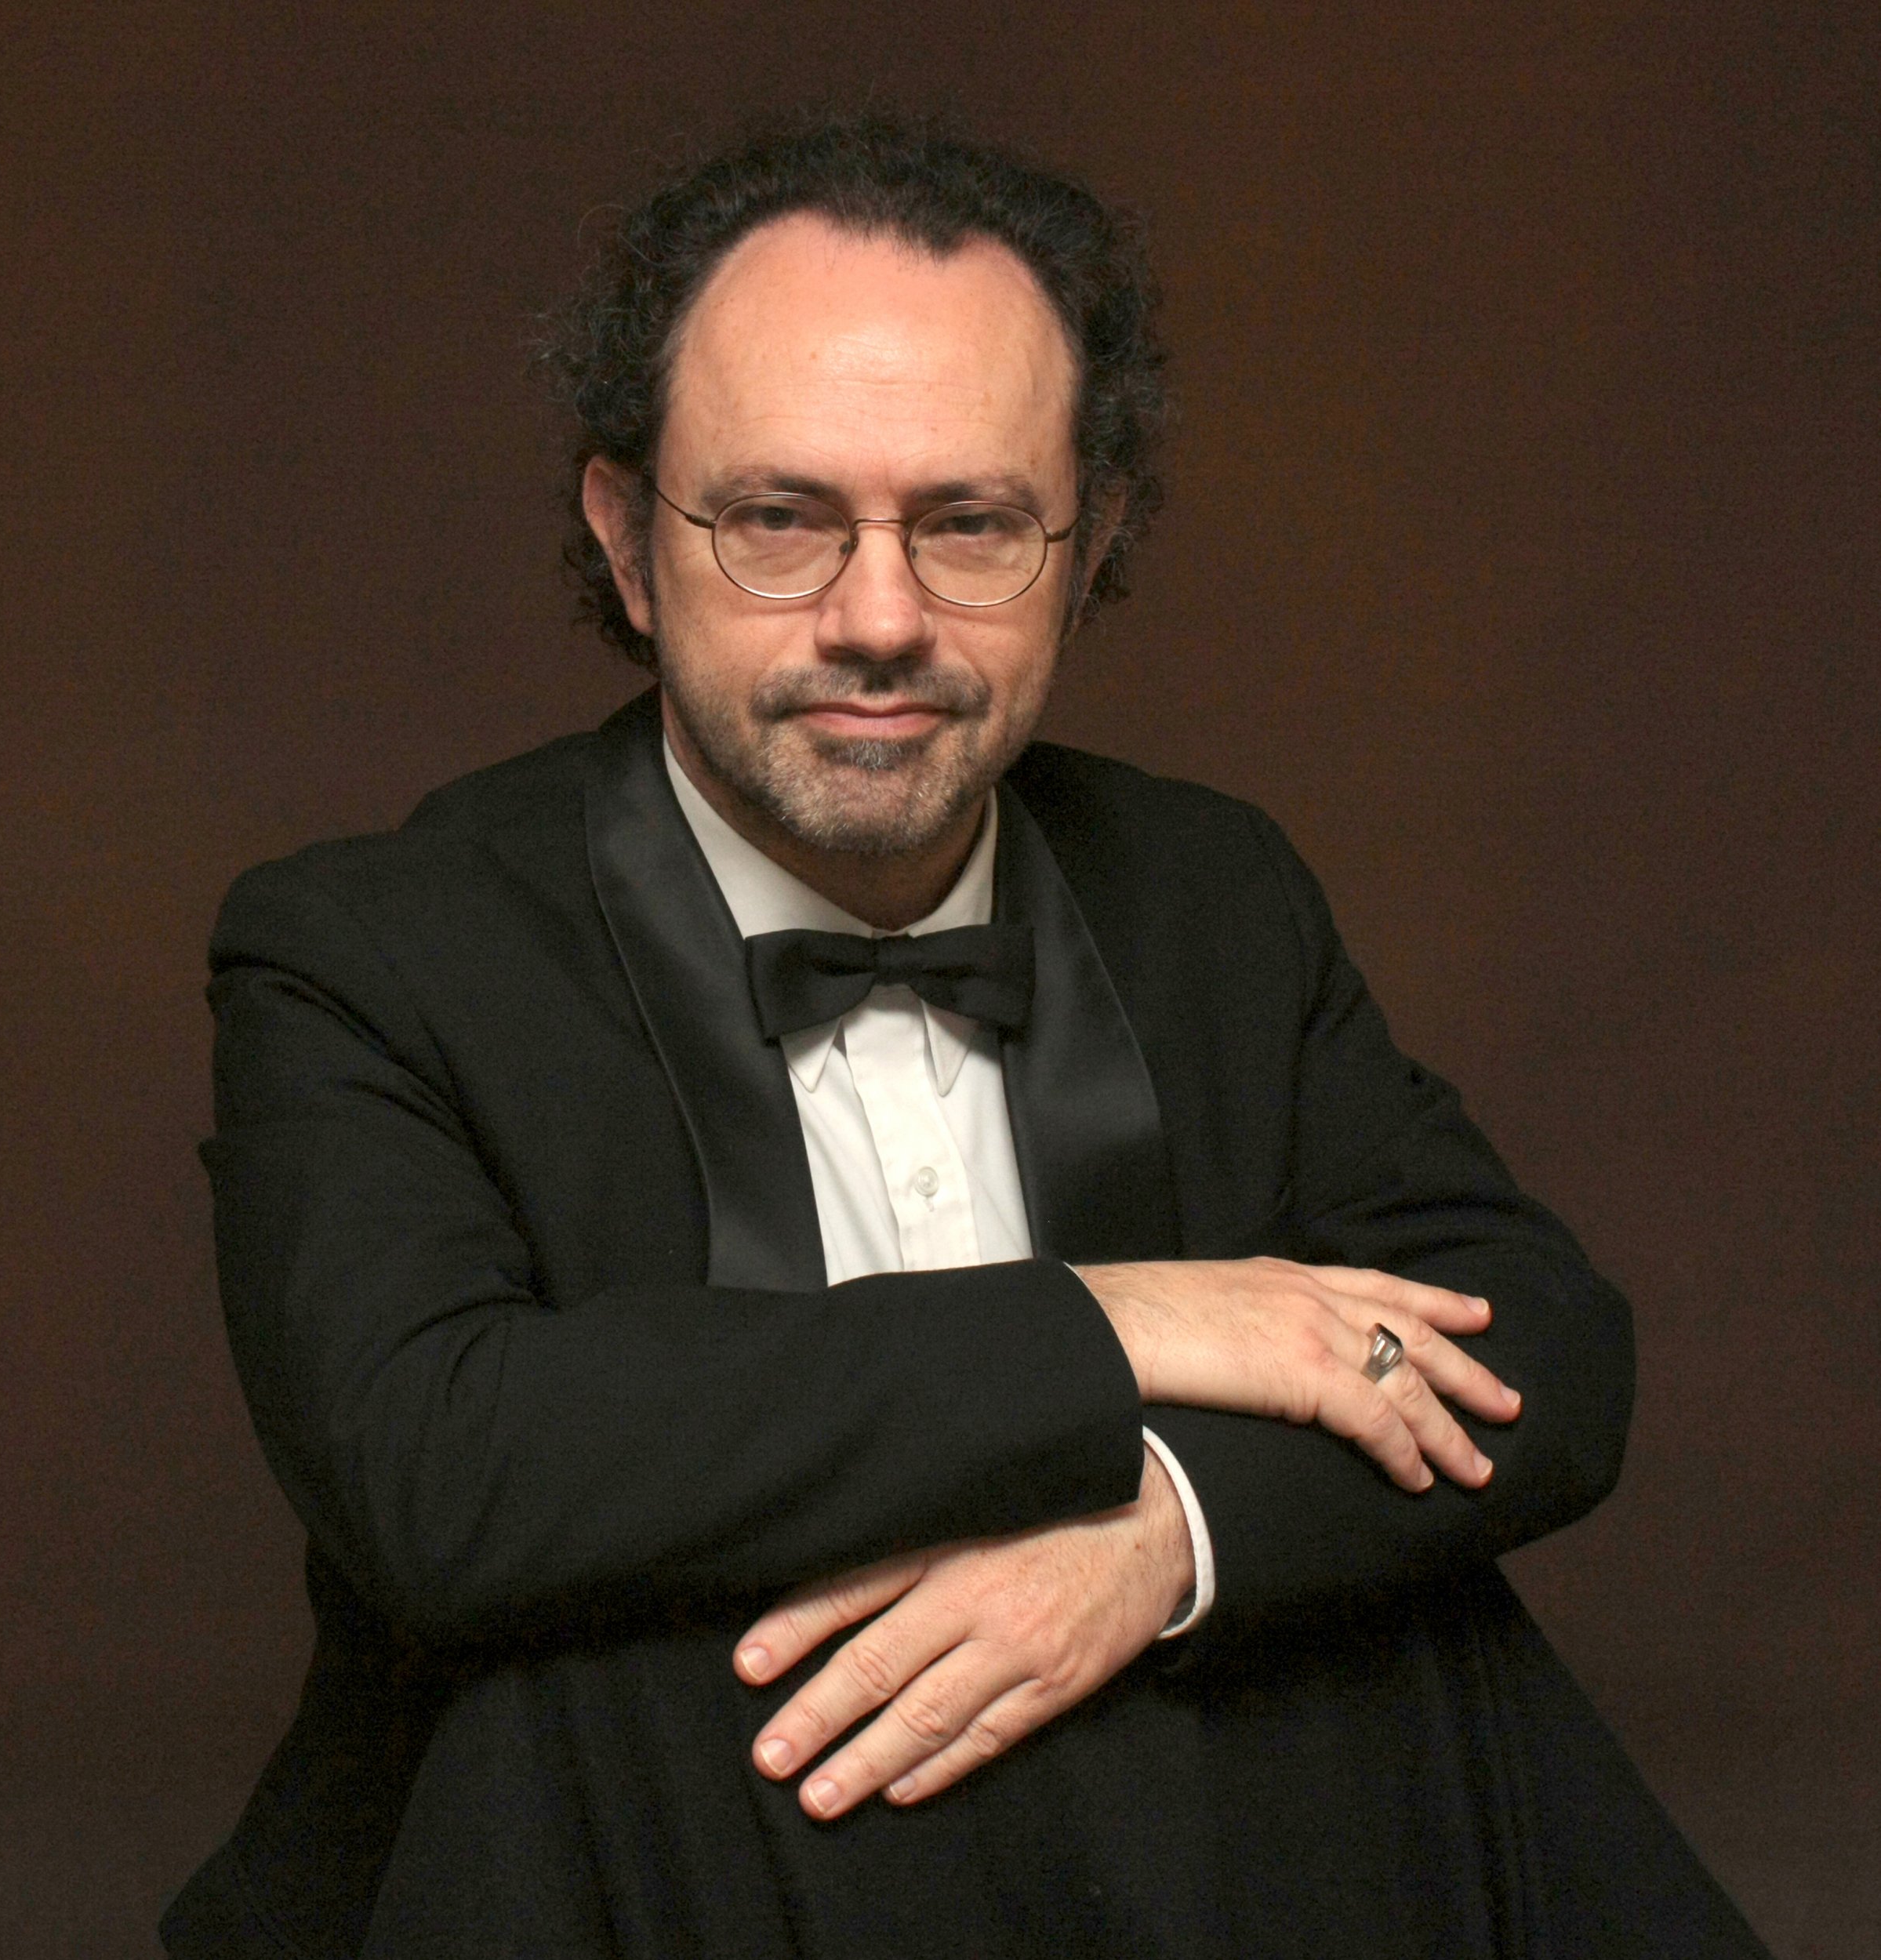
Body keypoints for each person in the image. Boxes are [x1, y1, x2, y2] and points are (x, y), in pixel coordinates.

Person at [163, 112, 1767, 1958]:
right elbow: (435, 1467)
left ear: (1085, 548)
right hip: (616, 1858)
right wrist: (1120, 1320)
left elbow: (1537, 1345)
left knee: (1387, 1623)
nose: (877, 619)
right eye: (779, 519)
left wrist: (1160, 1535)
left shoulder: (1208, 888)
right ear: (625, 539)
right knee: (592, 1668)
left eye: (969, 525)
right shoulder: (367, 944)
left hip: (1175, 1863)